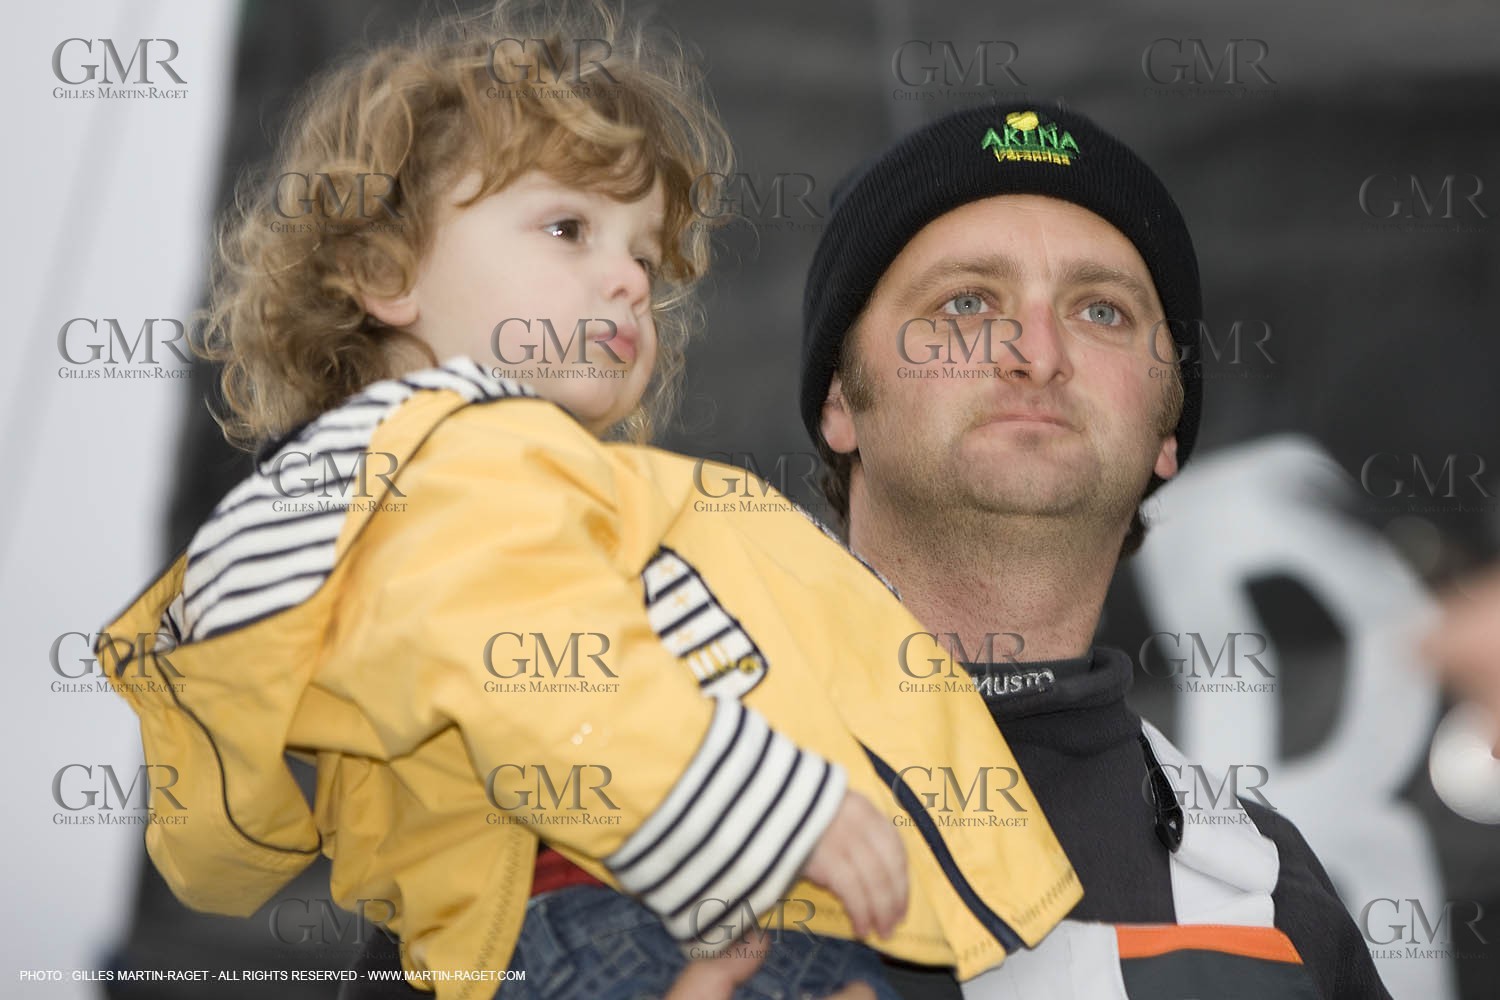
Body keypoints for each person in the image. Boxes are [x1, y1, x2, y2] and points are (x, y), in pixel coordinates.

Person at [95, 5, 1082, 999]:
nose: (625, 280)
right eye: (568, 228)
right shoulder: (457, 454)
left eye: (646, 260)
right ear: (386, 272)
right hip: (629, 915)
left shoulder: (481, 478)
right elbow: (534, 667)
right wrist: (765, 807)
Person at [792, 101, 1393, 998]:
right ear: (840, 398)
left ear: (1167, 433)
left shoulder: (1268, 895)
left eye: (1102, 311)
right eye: (967, 302)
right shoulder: (651, 789)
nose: (1037, 352)